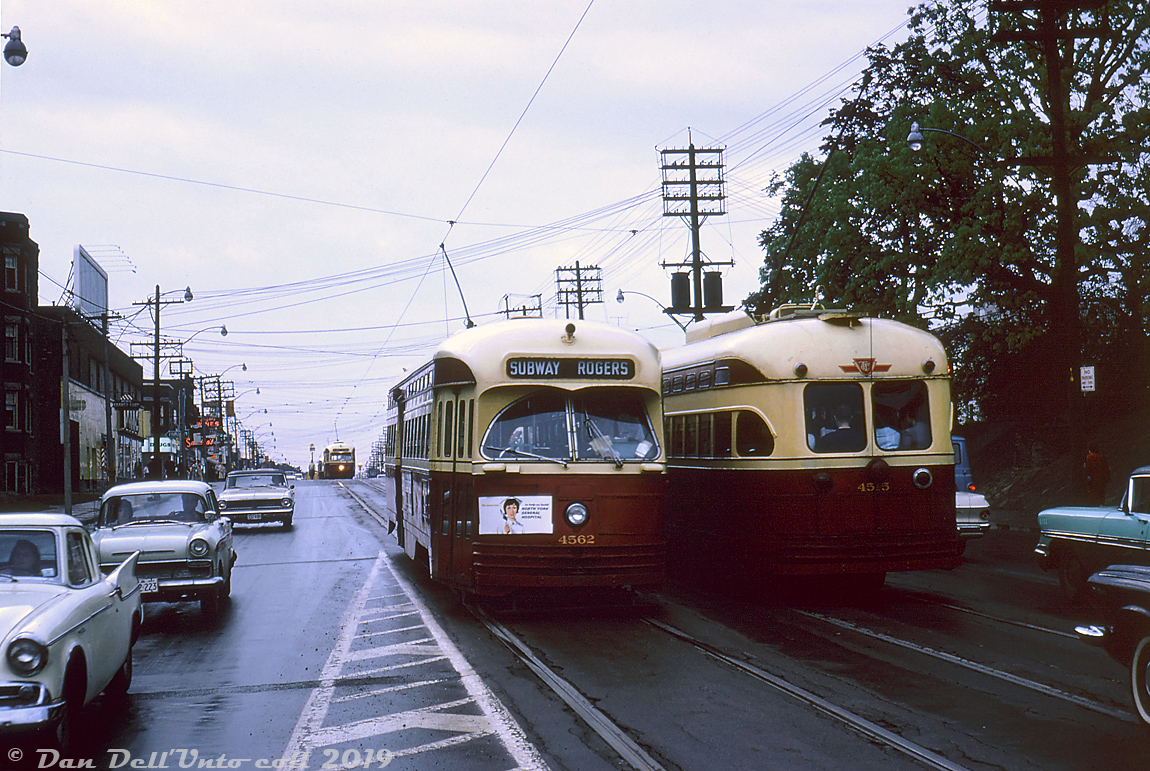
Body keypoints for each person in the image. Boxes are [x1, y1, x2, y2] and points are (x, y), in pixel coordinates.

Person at [1085, 442, 1110, 506]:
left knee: (1092, 496)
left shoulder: (1088, 458)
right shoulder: (1102, 458)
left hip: (1092, 481)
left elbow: (1087, 469)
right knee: (1101, 496)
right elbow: (1106, 469)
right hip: (1101, 480)